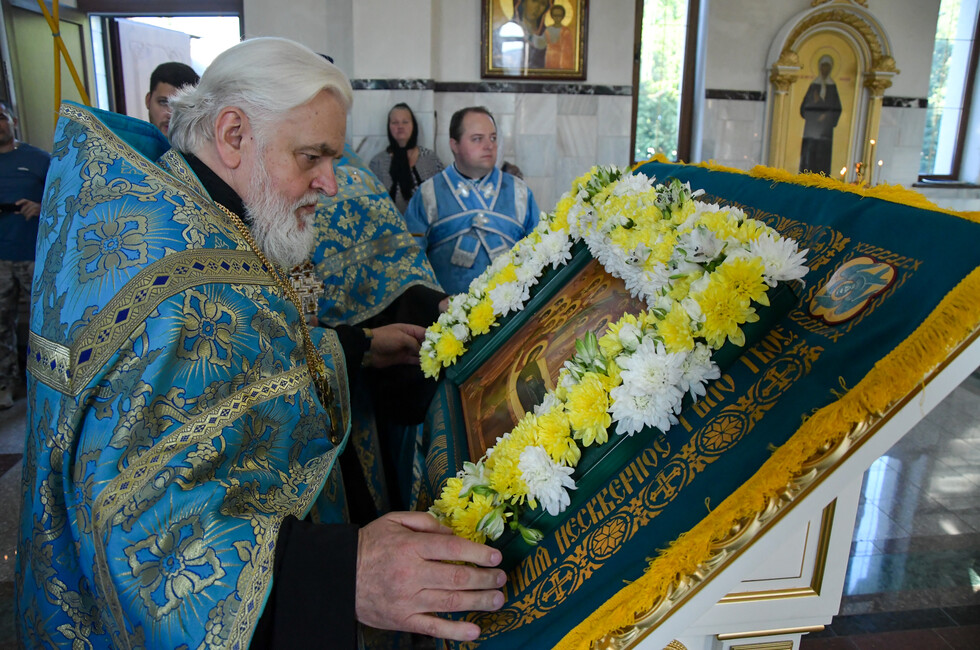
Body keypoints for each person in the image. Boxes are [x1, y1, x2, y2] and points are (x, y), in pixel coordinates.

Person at [17, 37, 504, 649]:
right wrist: (342, 573)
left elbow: (247, 370)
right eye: (312, 157)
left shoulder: (192, 210)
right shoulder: (174, 285)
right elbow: (142, 541)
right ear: (233, 135)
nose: (331, 184)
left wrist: (354, 348)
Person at [304, 143, 447, 514]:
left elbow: (399, 269)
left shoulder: (358, 179)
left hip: (371, 372)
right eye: (311, 157)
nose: (329, 182)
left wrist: (439, 307)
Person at [403, 106, 540, 296]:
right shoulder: (428, 194)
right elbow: (410, 263)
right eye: (477, 139)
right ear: (454, 144)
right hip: (447, 311)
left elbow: (539, 254)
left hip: (513, 309)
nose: (489, 145)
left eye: (493, 138)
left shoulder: (520, 193)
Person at [0, 100, 50, 409]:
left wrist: (41, 207)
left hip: (34, 255)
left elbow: (64, 201)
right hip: (1, 258)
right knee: (1, 324)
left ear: (13, 121)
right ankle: (6, 384)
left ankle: (44, 385)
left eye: (1, 117)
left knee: (43, 323)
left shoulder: (39, 160)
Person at [369, 103, 444, 213]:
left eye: (405, 122)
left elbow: (443, 195)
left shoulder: (430, 159)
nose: (400, 126)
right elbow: (372, 202)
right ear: (389, 127)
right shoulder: (378, 163)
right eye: (395, 122)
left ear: (413, 126)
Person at [799, 55, 842, 175]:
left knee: (823, 158)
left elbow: (837, 108)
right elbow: (804, 108)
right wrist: (817, 104)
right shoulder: (814, 85)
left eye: (827, 67)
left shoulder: (832, 86)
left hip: (825, 132)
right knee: (809, 157)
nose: (825, 69)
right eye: (823, 66)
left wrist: (826, 115)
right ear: (819, 67)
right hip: (811, 130)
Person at [145, 61, 200, 136]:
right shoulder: (130, 141)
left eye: (181, 106)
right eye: (163, 102)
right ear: (148, 100)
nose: (170, 115)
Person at [544, 3, 575, 70]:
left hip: (561, 58)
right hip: (549, 58)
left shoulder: (566, 31)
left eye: (559, 15)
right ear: (551, 16)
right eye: (555, 15)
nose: (557, 18)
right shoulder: (547, 30)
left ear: (563, 16)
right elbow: (542, 44)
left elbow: (567, 50)